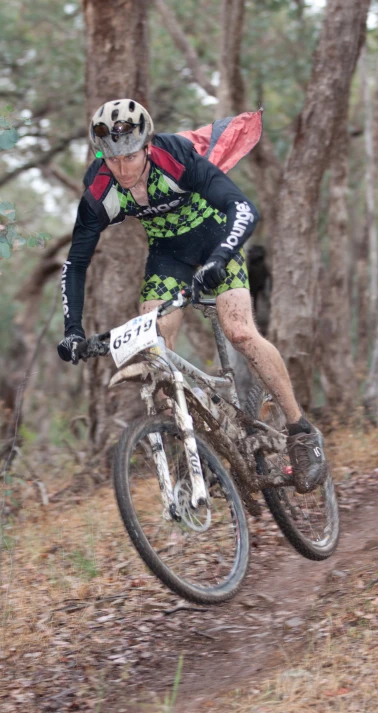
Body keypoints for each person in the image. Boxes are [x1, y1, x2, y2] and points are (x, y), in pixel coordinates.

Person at [57, 98, 326, 494]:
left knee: (239, 331)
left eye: (130, 156)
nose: (122, 168)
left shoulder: (175, 157)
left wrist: (219, 259)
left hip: (219, 241)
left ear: (146, 146)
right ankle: (199, 452)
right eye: (112, 159)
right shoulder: (101, 189)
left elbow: (243, 208)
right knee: (154, 351)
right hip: (169, 256)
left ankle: (301, 432)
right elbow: (75, 263)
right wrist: (72, 329)